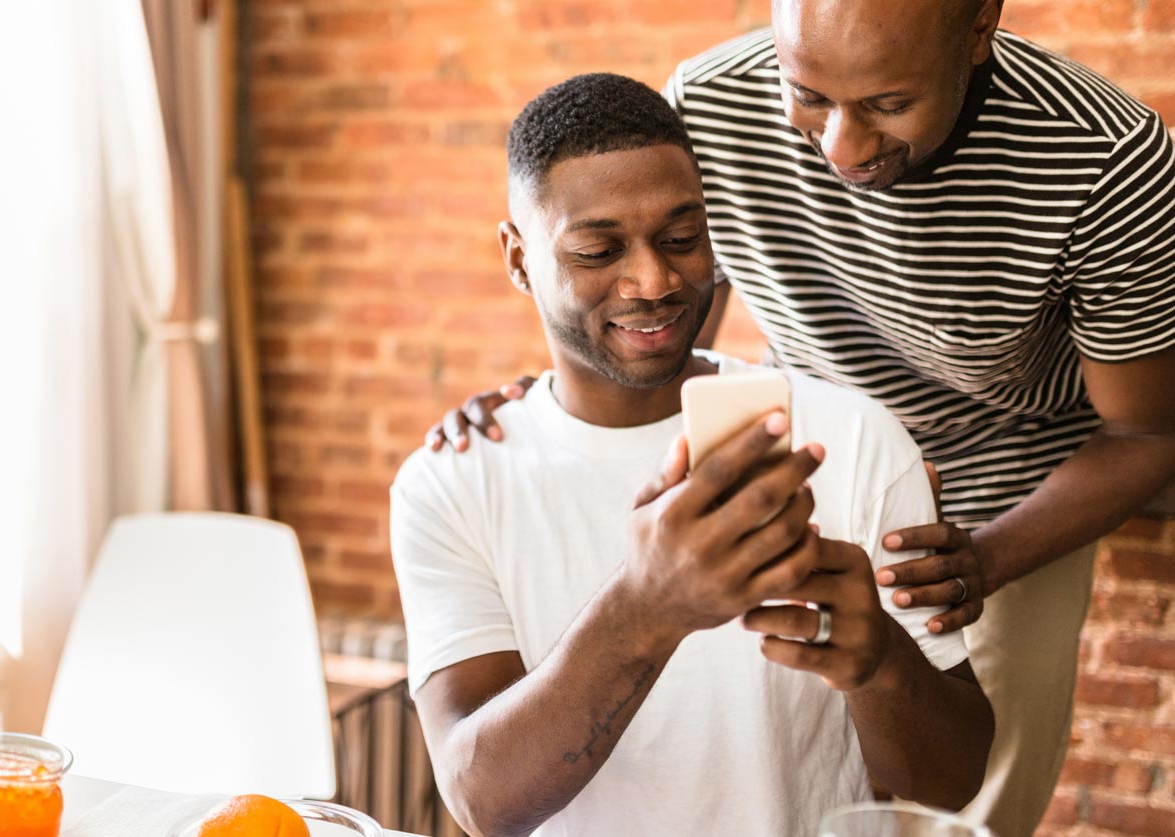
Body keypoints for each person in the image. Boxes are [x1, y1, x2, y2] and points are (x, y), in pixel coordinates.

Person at [425, 2, 1175, 834]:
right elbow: (651, 283)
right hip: (808, 452)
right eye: (807, 95)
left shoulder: (1106, 161)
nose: (841, 151)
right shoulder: (709, 102)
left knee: (967, 808)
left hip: (1012, 496)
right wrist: (551, 400)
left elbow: (1147, 434)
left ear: (978, 29)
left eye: (889, 104)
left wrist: (982, 561)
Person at [392, 73, 994, 837]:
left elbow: (952, 784)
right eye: (599, 249)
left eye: (682, 238)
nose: (654, 280)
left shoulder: (855, 440)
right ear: (517, 258)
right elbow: (483, 802)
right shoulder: (453, 482)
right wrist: (647, 607)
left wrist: (879, 664)